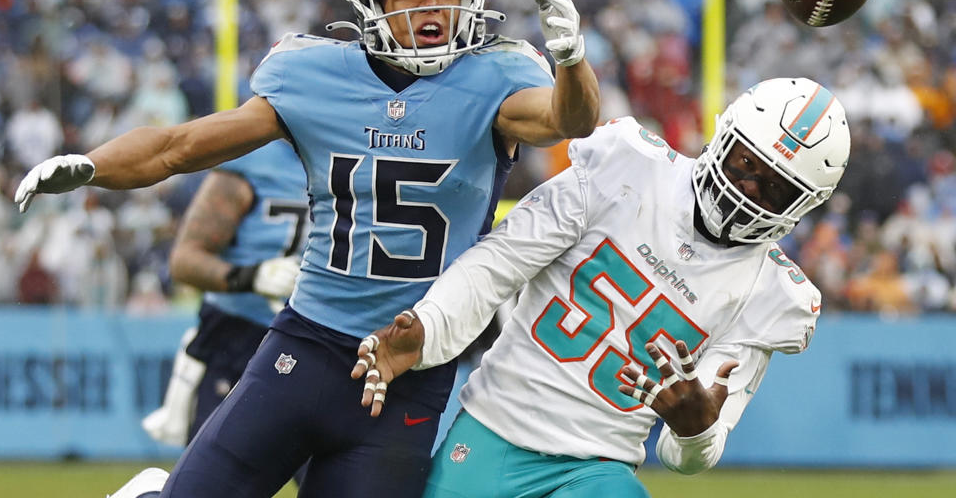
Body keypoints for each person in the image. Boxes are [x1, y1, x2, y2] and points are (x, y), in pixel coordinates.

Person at [15, 0, 600, 498]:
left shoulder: (496, 78)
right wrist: (94, 166)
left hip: (409, 369)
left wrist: (572, 57)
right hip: (308, 344)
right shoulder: (316, 74)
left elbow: (568, 120)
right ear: (374, 3)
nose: (433, 6)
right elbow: (179, 148)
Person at [351, 77, 851, 498]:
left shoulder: (774, 296)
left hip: (596, 468)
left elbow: (686, 455)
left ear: (803, 204)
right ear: (723, 137)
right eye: (747, 163)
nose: (748, 189)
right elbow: (500, 261)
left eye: (775, 187)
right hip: (496, 428)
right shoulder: (625, 163)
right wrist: (431, 322)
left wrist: (696, 429)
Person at [142, 139, 309, 447]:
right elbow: (184, 261)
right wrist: (251, 276)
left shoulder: (353, 152)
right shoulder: (253, 160)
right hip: (238, 334)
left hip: (315, 337)